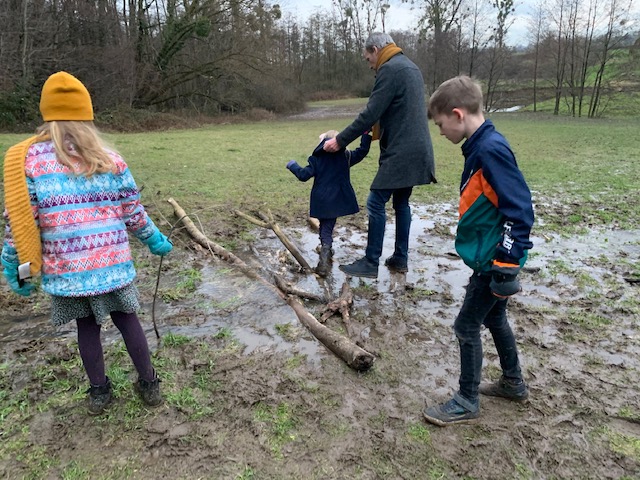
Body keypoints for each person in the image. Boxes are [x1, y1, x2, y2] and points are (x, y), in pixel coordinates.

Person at [1, 71, 172, 415]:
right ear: (88, 116)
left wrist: (14, 267)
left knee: (87, 328)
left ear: (47, 116)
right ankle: (150, 384)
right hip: (112, 267)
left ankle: (99, 393)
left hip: (70, 271)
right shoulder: (110, 159)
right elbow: (133, 211)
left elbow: (20, 224)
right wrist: (155, 240)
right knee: (128, 320)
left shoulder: (30, 162)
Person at [422, 75, 534, 426]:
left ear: (457, 114)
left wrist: (506, 265)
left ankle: (466, 399)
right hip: (489, 255)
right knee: (493, 317)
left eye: (440, 124)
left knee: (465, 325)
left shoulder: (490, 150)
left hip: (494, 261)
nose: (440, 132)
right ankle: (513, 382)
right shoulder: (479, 147)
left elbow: (521, 211)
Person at [323, 32, 436, 278]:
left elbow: (371, 112)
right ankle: (400, 258)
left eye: (368, 58)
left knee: (375, 202)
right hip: (419, 149)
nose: (369, 64)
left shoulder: (390, 69)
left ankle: (371, 262)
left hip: (401, 152)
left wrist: (340, 141)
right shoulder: (411, 67)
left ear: (375, 49)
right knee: (401, 203)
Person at [287, 130, 372, 276]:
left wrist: (292, 165)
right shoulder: (346, 157)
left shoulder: (317, 159)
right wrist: (366, 134)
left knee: (325, 227)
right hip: (337, 199)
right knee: (327, 226)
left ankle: (325, 256)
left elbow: (303, 175)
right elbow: (362, 151)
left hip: (321, 199)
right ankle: (326, 251)